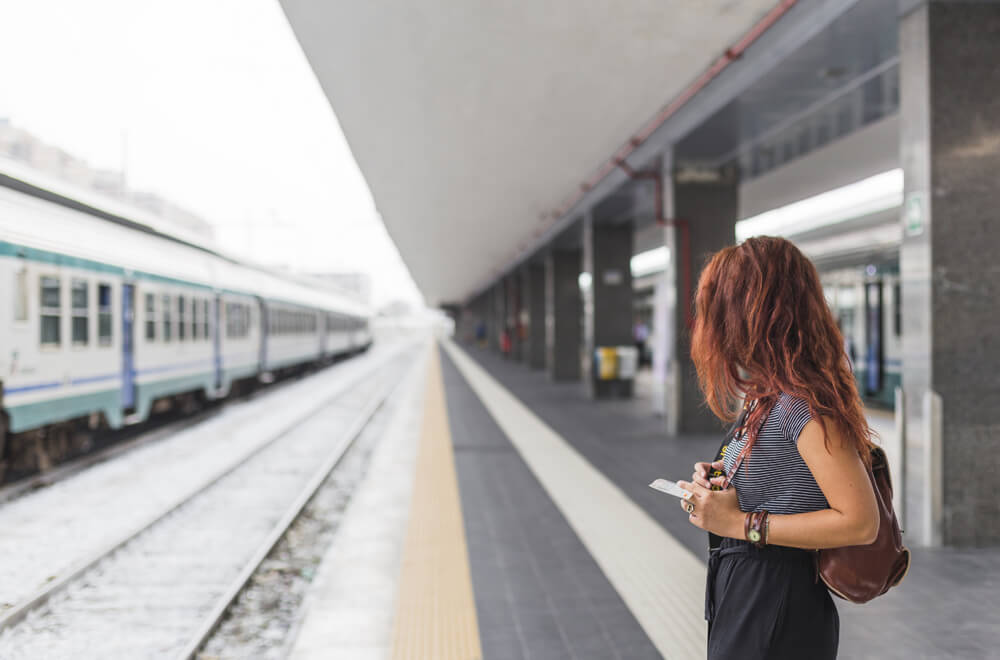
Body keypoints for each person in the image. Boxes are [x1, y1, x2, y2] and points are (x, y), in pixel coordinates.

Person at [675, 236, 879, 660]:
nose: (712, 322)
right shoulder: (765, 396)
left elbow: (860, 522)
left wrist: (741, 524)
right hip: (744, 589)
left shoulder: (800, 406)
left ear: (757, 313)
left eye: (721, 306)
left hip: (779, 600)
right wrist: (719, 480)